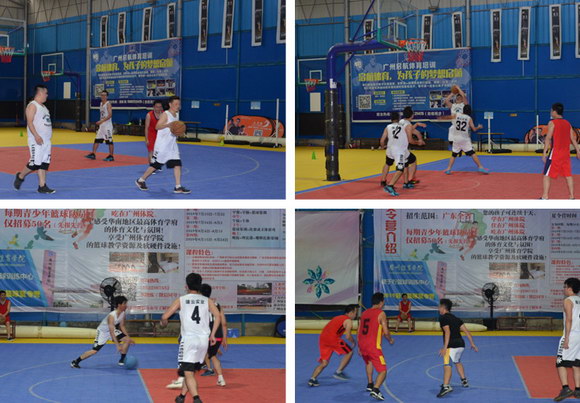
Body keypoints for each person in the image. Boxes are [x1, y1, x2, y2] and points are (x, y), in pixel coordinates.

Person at [161, 273, 221, 403]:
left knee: (188, 373)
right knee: (190, 372)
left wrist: (164, 322)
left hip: (189, 340)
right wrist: (213, 334)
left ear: (186, 285)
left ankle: (196, 399)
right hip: (203, 341)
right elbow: (218, 316)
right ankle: (181, 397)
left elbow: (165, 317)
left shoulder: (181, 300)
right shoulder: (207, 300)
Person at [135, 96, 191, 194]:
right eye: (176, 104)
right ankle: (141, 180)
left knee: (177, 164)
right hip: (162, 145)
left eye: (179, 104)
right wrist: (168, 125)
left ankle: (178, 187)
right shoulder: (165, 114)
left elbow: (174, 129)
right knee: (156, 165)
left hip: (172, 144)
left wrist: (178, 131)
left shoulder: (176, 114)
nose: (178, 106)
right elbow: (157, 127)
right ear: (170, 104)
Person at [71, 296, 135, 368]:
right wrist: (118, 346)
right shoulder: (112, 316)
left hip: (112, 330)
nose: (126, 305)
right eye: (124, 304)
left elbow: (122, 326)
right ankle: (75, 362)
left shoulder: (123, 313)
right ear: (119, 305)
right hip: (102, 332)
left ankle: (122, 360)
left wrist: (129, 338)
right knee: (94, 351)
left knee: (127, 340)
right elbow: (111, 332)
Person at [13, 84, 56, 194]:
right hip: (36, 140)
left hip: (46, 141)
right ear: (40, 93)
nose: (47, 95)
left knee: (44, 163)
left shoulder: (44, 107)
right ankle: (20, 176)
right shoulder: (32, 105)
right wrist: (36, 135)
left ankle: (42, 186)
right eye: (46, 93)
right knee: (35, 163)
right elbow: (29, 122)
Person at [308, 304, 358, 387]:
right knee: (349, 352)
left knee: (324, 363)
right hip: (333, 339)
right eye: (355, 313)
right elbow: (348, 336)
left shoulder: (337, 317)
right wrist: (354, 342)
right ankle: (338, 372)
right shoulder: (348, 321)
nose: (356, 315)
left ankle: (312, 379)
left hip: (323, 338)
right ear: (351, 312)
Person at [437, 298, 478, 398]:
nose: (438, 309)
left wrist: (445, 347)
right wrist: (472, 344)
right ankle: (464, 381)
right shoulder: (456, 318)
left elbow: (447, 332)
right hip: (461, 344)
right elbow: (467, 332)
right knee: (457, 361)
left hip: (452, 345)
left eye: (439, 307)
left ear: (443, 307)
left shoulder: (443, 318)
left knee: (447, 365)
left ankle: (446, 386)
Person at [358, 293, 394, 401]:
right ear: (381, 302)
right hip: (373, 346)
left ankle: (370, 384)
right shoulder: (381, 313)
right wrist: (390, 339)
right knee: (383, 370)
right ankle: (376, 389)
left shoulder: (364, 313)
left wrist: (359, 346)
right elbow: (386, 331)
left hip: (363, 344)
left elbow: (359, 330)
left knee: (368, 362)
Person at [383, 107, 426, 197]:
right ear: (412, 115)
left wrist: (416, 125)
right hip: (400, 149)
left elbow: (407, 129)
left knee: (406, 162)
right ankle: (391, 185)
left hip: (393, 147)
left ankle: (406, 182)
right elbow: (410, 138)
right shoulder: (408, 125)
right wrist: (418, 142)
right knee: (401, 168)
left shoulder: (401, 122)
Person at [541, 103, 580, 200]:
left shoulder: (552, 123)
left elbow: (548, 138)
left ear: (554, 112)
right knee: (568, 175)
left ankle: (545, 196)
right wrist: (578, 151)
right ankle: (572, 196)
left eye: (551, 111)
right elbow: (573, 139)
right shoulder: (568, 123)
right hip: (566, 154)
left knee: (546, 174)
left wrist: (544, 153)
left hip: (555, 153)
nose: (550, 112)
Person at [553, 278, 580, 401]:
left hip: (572, 334)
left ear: (569, 288)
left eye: (565, 287)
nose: (563, 289)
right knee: (576, 363)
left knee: (560, 362)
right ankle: (578, 390)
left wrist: (567, 338)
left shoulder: (568, 301)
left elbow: (569, 319)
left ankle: (566, 388)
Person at [444, 105, 489, 175]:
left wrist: (440, 117)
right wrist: (479, 127)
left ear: (463, 110)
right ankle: (480, 167)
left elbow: (448, 117)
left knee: (454, 154)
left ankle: (448, 169)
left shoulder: (457, 115)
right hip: (464, 138)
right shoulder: (469, 118)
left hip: (456, 138)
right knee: (472, 153)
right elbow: (474, 129)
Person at [200, 283, 228, 387]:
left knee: (203, 354)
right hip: (218, 335)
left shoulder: (200, 304)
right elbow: (224, 323)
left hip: (206, 334)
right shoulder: (217, 305)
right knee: (212, 355)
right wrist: (224, 338)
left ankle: (184, 379)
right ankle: (220, 378)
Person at [85, 90, 114, 161]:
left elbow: (110, 115)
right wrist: (101, 122)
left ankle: (111, 156)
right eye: (102, 95)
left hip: (107, 126)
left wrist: (101, 121)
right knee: (97, 140)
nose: (103, 96)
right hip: (102, 126)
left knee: (109, 141)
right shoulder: (101, 103)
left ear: (107, 96)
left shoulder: (108, 104)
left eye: (104, 95)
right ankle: (93, 154)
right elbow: (103, 114)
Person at [443, 86, 468, 154]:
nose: (458, 98)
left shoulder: (464, 105)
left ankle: (462, 148)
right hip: (454, 125)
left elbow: (464, 96)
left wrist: (458, 89)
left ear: (462, 99)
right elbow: (446, 101)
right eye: (457, 97)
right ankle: (457, 149)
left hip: (461, 125)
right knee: (451, 137)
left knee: (461, 139)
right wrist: (453, 93)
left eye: (460, 97)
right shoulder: (453, 105)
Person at [145, 100, 164, 168]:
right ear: (153, 107)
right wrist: (146, 139)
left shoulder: (164, 114)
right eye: (157, 107)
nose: (158, 108)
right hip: (151, 134)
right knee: (151, 151)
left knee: (159, 151)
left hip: (160, 134)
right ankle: (151, 166)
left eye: (160, 107)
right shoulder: (149, 115)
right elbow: (146, 127)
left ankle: (157, 165)